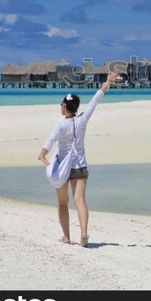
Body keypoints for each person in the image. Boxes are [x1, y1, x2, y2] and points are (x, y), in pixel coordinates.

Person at [37, 71, 120, 247]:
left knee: (62, 203)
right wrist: (108, 83)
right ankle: (83, 233)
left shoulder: (60, 124)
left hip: (62, 168)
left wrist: (43, 156)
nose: (60, 106)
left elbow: (51, 139)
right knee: (80, 200)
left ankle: (67, 237)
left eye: (61, 104)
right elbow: (94, 101)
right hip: (80, 165)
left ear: (65, 107)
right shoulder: (83, 120)